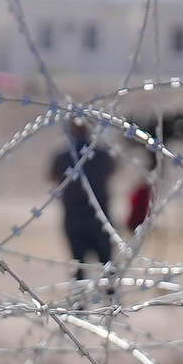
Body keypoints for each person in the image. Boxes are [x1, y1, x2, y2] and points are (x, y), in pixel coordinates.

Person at [53, 117, 118, 286]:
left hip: (78, 217)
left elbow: (53, 176)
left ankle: (81, 307)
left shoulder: (64, 155)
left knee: (80, 266)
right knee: (105, 265)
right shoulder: (100, 153)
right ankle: (110, 304)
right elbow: (113, 169)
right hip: (96, 216)